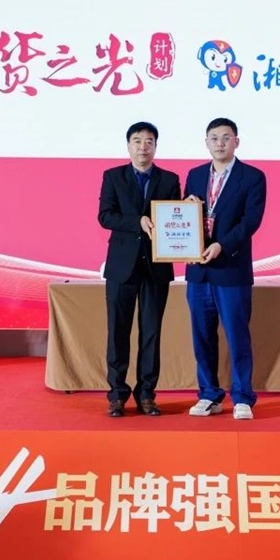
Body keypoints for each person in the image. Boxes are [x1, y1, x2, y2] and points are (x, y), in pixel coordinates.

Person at [98, 121, 182, 418]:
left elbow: (176, 219)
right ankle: (117, 395)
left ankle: (146, 394)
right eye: (137, 141)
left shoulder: (169, 179)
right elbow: (105, 216)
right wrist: (137, 222)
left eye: (149, 141)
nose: (143, 147)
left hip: (156, 267)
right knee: (117, 332)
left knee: (151, 334)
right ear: (128, 145)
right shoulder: (113, 176)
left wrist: (189, 210)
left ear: (155, 146)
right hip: (121, 267)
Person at [184, 117, 266, 420]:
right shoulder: (194, 175)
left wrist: (221, 245)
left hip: (231, 267)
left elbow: (250, 221)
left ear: (236, 142)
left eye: (226, 137)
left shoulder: (252, 177)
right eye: (214, 138)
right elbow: (184, 216)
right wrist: (185, 236)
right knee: (202, 335)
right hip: (198, 270)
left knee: (236, 334)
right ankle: (209, 394)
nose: (220, 143)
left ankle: (243, 396)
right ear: (206, 142)